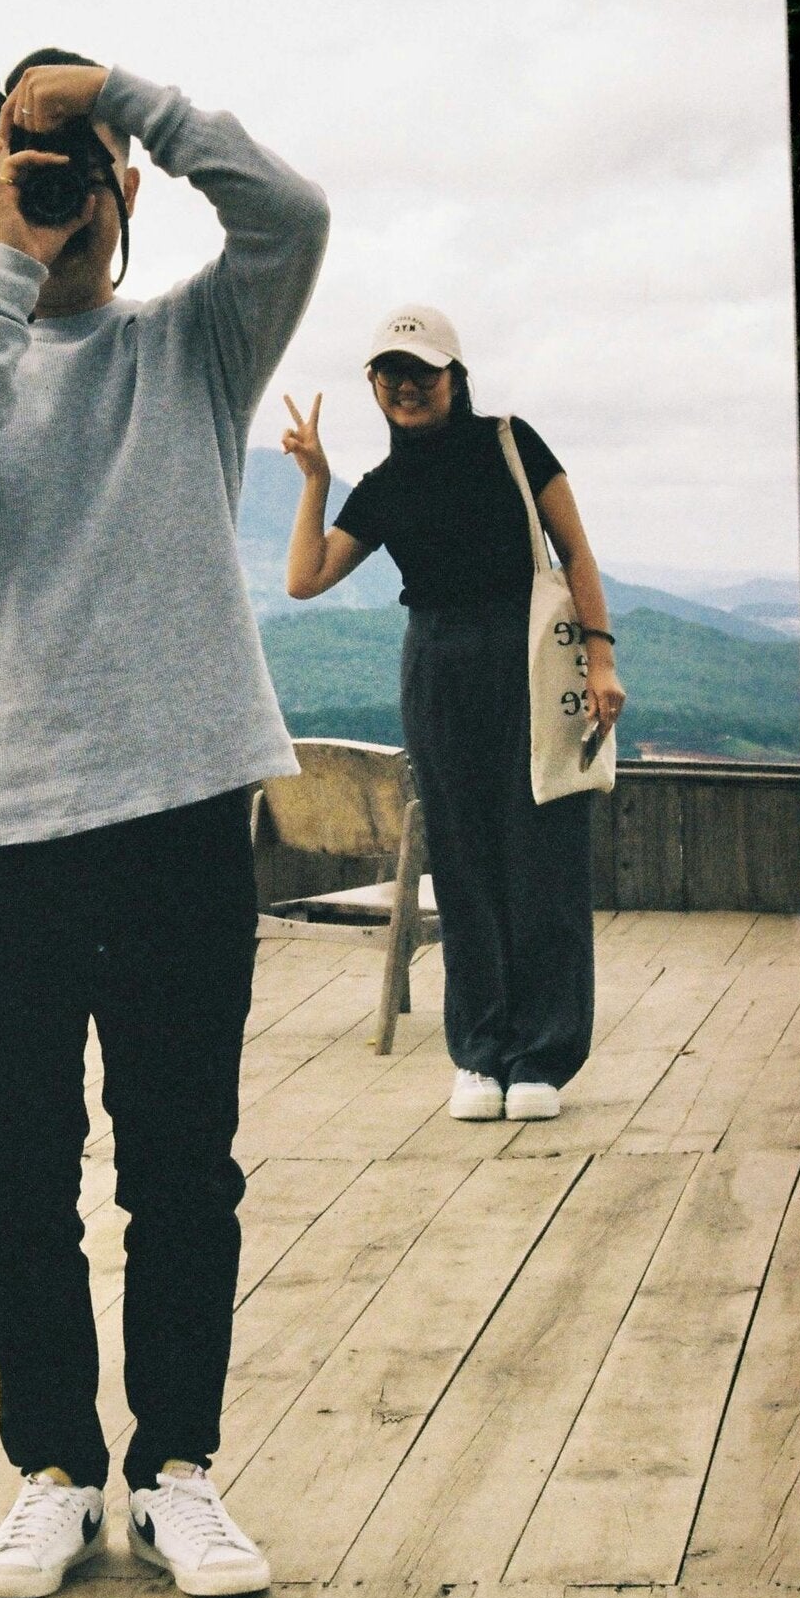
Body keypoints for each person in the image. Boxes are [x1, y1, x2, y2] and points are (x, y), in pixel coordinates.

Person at [0, 50, 328, 1598]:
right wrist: (12, 261)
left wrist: (135, 100)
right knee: (18, 1179)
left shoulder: (191, 347)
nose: (59, 186)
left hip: (177, 809)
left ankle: (179, 1468)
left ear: (128, 182)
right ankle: (53, 1474)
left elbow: (292, 216)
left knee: (183, 1169)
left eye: (81, 165)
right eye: (25, 160)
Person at [279, 305, 626, 1125]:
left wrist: (602, 658)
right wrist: (316, 480)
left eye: (423, 371)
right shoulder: (383, 486)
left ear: (455, 377)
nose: (407, 386)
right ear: (373, 383)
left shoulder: (511, 441)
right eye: (391, 373)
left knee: (542, 856)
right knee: (464, 865)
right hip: (437, 667)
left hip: (529, 654)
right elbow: (305, 577)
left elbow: (575, 551)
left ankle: (541, 1055)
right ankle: (478, 1054)